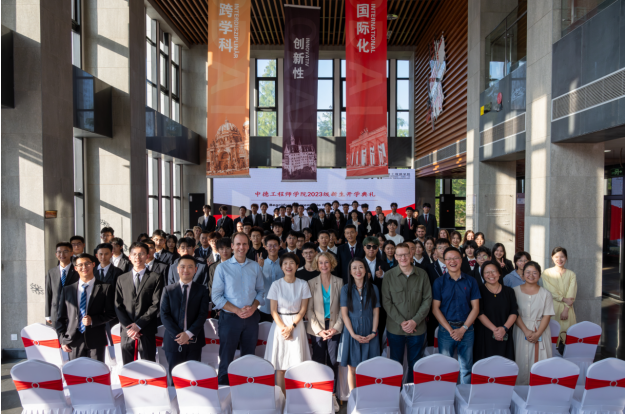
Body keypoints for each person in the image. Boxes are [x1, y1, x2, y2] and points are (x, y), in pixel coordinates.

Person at [211, 232, 264, 385]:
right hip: (229, 319)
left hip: (251, 317)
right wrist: (236, 310)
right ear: (232, 246)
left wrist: (253, 307)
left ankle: (246, 388)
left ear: (248, 246)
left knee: (249, 357)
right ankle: (224, 390)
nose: (241, 247)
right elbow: (216, 297)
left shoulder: (255, 267)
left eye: (244, 244)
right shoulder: (222, 268)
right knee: (226, 357)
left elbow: (261, 291)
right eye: (238, 244)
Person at [264, 253, 312, 395]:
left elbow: (303, 310)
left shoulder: (303, 284)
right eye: (285, 263)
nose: (288, 266)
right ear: (281, 267)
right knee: (281, 365)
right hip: (280, 326)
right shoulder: (276, 284)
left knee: (297, 364)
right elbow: (273, 310)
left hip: (297, 325)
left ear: (297, 266)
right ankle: (282, 398)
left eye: (291, 263)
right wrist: (284, 328)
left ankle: (296, 397)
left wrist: (292, 327)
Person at [382, 243, 432, 376]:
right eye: (399, 255)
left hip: (417, 329)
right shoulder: (389, 276)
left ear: (411, 254)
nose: (403, 258)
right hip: (395, 329)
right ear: (395, 256)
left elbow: (427, 300)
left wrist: (415, 321)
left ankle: (411, 389)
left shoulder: (422, 274)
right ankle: (396, 389)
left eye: (405, 254)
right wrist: (402, 322)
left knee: (415, 364)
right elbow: (386, 302)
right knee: (395, 364)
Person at [432, 247, 481, 384]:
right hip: (446, 331)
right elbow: (435, 309)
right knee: (446, 368)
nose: (452, 261)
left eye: (455, 258)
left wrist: (463, 329)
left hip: (467, 330)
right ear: (444, 261)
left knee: (466, 368)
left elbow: (475, 308)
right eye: (449, 259)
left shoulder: (471, 281)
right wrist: (450, 330)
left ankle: (464, 396)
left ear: (461, 259)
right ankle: (447, 395)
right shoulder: (439, 282)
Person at [56, 254, 116, 362]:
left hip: (96, 339)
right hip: (73, 340)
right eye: (80, 265)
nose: (84, 267)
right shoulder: (67, 290)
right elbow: (61, 317)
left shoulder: (105, 288)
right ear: (75, 268)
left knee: (96, 370)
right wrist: (62, 339)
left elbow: (111, 313)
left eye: (87, 264)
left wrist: (93, 320)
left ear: (93, 264)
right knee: (76, 371)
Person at [160, 255, 210, 375]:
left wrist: (188, 334)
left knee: (193, 377)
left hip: (194, 341)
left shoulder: (202, 290)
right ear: (177, 269)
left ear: (195, 270)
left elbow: (202, 315)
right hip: (173, 341)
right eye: (182, 267)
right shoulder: (168, 290)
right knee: (175, 376)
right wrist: (179, 336)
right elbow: (164, 315)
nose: (186, 270)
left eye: (190, 267)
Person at [114, 242, 164, 364]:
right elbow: (118, 304)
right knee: (128, 366)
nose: (138, 257)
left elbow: (156, 304)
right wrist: (129, 327)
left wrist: (139, 325)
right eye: (134, 254)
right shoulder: (122, 278)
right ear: (129, 257)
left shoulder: (155, 277)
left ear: (147, 256)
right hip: (127, 331)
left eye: (141, 254)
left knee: (148, 364)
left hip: (146, 329)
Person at [307, 252, 343, 408]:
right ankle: (319, 393)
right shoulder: (311, 283)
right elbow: (309, 310)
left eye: (326, 262)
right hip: (318, 329)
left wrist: (336, 328)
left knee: (333, 361)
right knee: (319, 360)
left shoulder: (339, 282)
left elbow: (343, 308)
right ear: (317, 264)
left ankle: (332, 395)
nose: (324, 265)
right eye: (320, 262)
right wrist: (319, 330)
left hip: (334, 327)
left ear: (331, 263)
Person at [339, 258, 381, 391]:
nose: (358, 270)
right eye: (354, 268)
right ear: (350, 272)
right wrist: (353, 334)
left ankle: (368, 396)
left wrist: (373, 332)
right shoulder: (345, 289)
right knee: (352, 368)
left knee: (370, 368)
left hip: (370, 331)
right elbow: (344, 314)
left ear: (366, 270)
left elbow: (376, 313)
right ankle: (353, 397)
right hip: (352, 332)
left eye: (361, 267)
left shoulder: (374, 288)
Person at [513, 261, 555, 385]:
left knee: (541, 360)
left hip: (540, 330)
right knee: (520, 358)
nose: (531, 275)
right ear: (523, 274)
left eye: (535, 273)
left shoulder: (546, 294)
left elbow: (547, 315)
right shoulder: (514, 291)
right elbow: (514, 313)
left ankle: (540, 390)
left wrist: (538, 334)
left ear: (539, 275)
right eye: (528, 272)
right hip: (520, 330)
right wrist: (526, 331)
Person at [474, 262, 518, 362]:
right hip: (484, 334)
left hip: (505, 333)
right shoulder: (478, 290)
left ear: (499, 273)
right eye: (487, 272)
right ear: (483, 275)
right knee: (485, 364)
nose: (491, 275)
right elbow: (479, 312)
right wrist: (496, 330)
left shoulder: (509, 291)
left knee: (505, 364)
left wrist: (504, 329)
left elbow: (514, 311)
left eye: (493, 271)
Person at [541, 247, 577, 347]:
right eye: (556, 257)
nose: (559, 259)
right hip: (552, 307)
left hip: (568, 309)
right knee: (552, 336)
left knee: (567, 336)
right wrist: (564, 299)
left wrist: (566, 309)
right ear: (552, 257)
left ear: (566, 258)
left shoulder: (571, 274)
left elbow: (572, 293)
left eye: (562, 257)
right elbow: (549, 290)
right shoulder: (546, 273)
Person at [362, 237, 386, 347]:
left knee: (379, 333)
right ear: (364, 248)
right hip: (363, 305)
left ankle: (378, 354)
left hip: (381, 305)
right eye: (368, 246)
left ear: (378, 248)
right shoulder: (358, 263)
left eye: (374, 247)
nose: (371, 249)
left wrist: (383, 275)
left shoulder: (384, 264)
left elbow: (391, 283)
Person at [259, 235, 284, 323]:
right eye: (269, 245)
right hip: (264, 306)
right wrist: (259, 268)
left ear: (279, 246)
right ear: (265, 247)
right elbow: (255, 283)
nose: (272, 248)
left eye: (275, 245)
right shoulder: (260, 264)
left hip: (282, 305)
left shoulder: (284, 264)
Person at [207, 237, 233, 302]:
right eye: (221, 248)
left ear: (232, 249)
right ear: (218, 250)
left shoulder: (238, 265)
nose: (224, 251)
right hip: (218, 303)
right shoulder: (213, 267)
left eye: (227, 248)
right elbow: (211, 288)